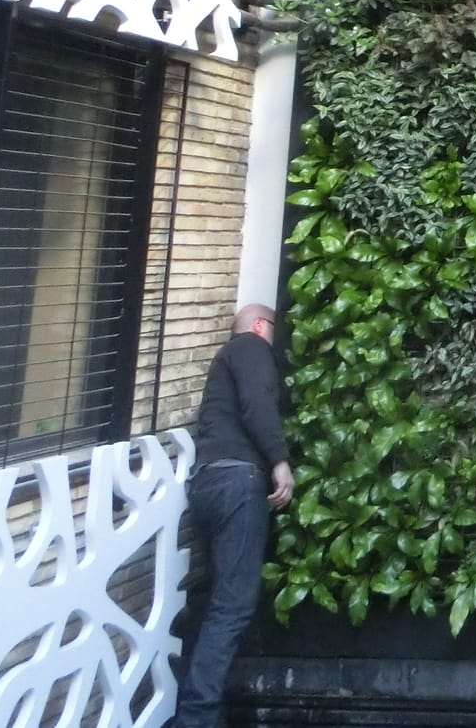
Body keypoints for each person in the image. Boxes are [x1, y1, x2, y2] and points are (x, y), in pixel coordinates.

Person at [175, 302, 294, 728]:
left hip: (208, 483)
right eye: (274, 333)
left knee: (213, 604)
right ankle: (197, 719)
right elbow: (257, 403)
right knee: (232, 607)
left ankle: (199, 709)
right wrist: (279, 461)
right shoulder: (250, 348)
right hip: (238, 484)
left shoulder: (222, 363)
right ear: (261, 326)